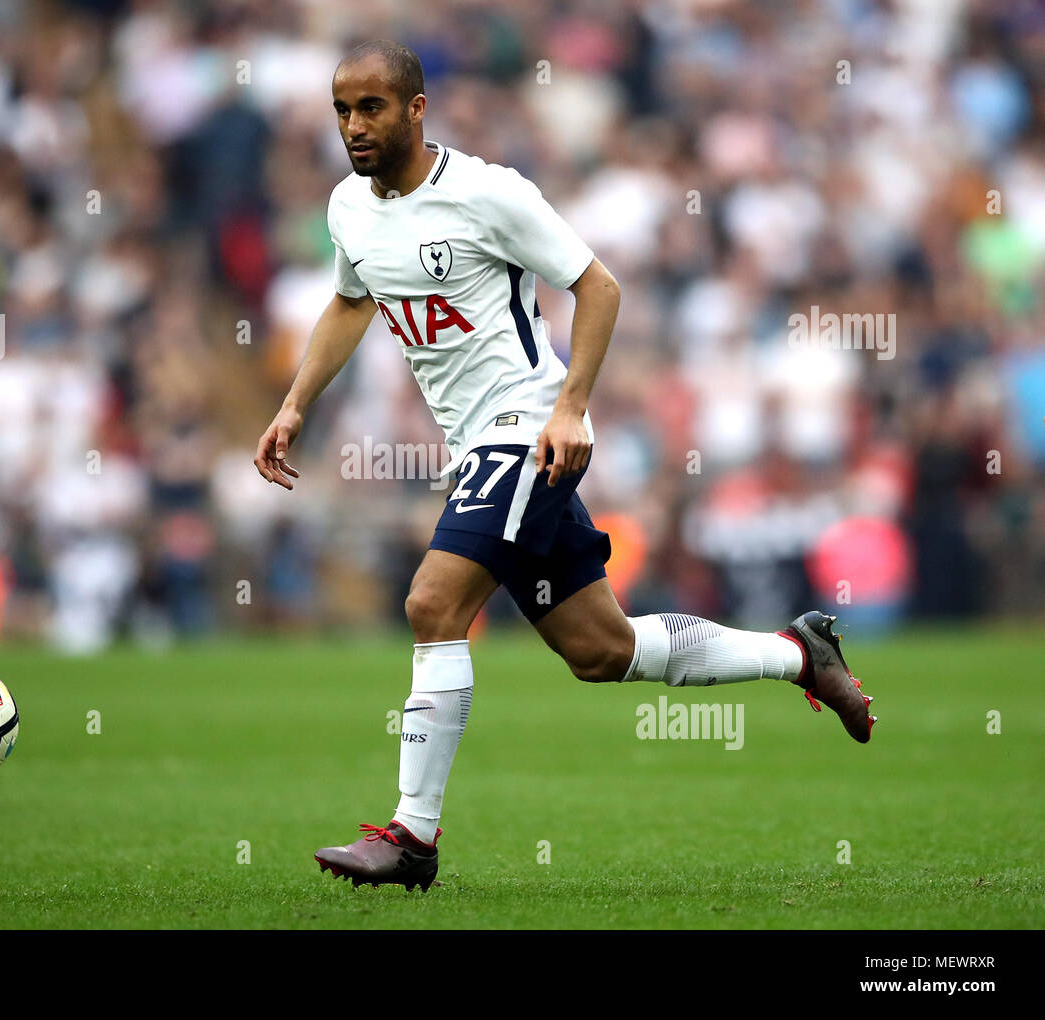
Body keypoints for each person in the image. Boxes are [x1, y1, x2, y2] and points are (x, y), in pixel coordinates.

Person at [252, 40, 876, 893]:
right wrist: (294, 405)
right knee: (601, 649)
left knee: (432, 601)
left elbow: (599, 286)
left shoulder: (488, 192)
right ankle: (799, 654)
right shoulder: (348, 210)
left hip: (527, 431)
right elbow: (351, 301)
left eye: (372, 108)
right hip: (476, 445)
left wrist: (570, 405)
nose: (354, 126)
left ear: (417, 108)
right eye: (342, 110)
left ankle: (413, 838)